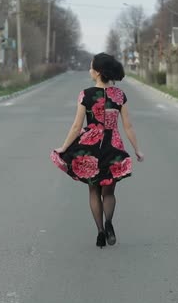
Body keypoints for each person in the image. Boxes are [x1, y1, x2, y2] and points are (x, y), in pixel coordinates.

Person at [50, 53, 144, 248]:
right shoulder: (119, 95)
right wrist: (137, 149)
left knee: (94, 190)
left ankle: (100, 232)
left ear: (98, 72)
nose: (89, 70)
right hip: (113, 146)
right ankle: (109, 223)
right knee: (108, 192)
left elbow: (76, 127)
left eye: (91, 67)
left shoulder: (85, 94)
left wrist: (64, 147)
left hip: (91, 147)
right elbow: (128, 126)